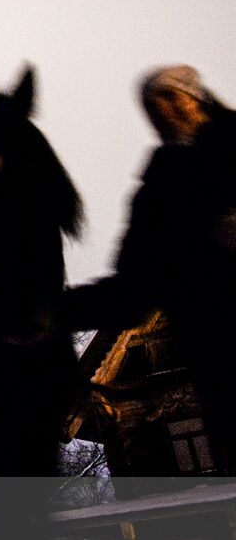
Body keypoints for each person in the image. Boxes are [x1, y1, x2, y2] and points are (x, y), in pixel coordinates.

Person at [67, 64, 236, 472]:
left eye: (171, 98)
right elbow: (132, 292)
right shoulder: (163, 187)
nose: (163, 111)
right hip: (222, 366)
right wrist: (45, 308)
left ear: (195, 100)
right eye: (151, 106)